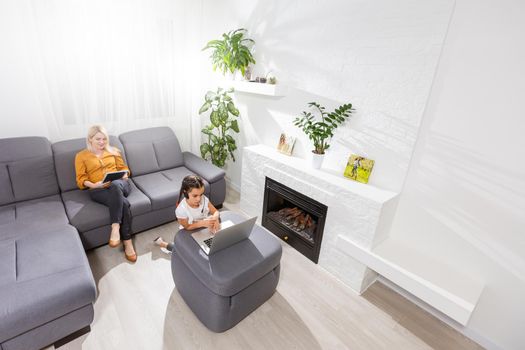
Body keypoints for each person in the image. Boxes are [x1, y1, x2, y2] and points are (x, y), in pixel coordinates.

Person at [75, 125, 137, 262]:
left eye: (104, 139)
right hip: (98, 189)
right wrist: (93, 184)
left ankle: (115, 227)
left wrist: (125, 175)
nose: (102, 142)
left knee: (115, 184)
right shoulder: (81, 156)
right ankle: (128, 243)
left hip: (121, 185)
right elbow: (81, 179)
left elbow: (124, 169)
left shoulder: (114, 151)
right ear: (90, 139)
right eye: (98, 139)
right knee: (124, 204)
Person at [154, 175, 220, 253]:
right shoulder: (181, 210)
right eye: (195, 196)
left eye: (201, 194)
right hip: (188, 232)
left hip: (203, 229)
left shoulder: (204, 200)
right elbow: (187, 227)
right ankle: (163, 244)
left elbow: (216, 212)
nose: (199, 199)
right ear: (185, 193)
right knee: (182, 252)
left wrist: (215, 218)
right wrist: (202, 223)